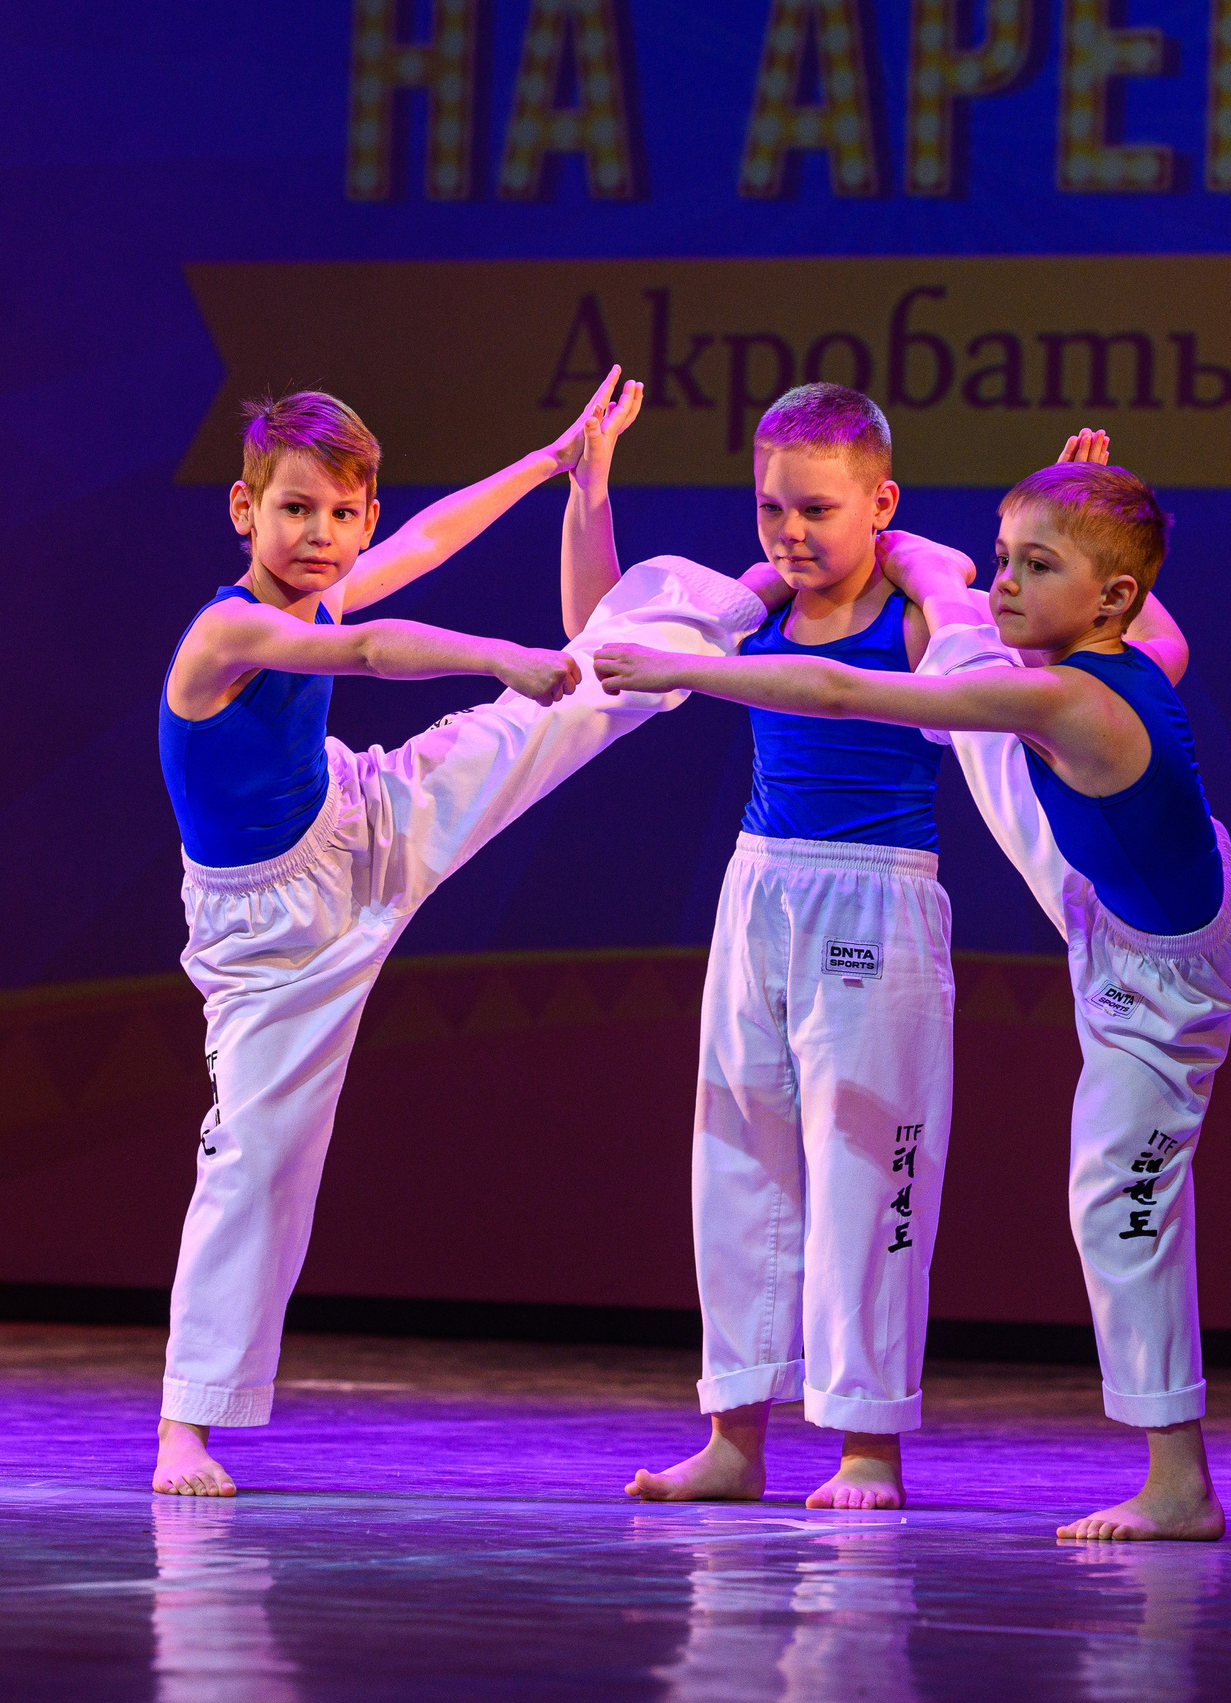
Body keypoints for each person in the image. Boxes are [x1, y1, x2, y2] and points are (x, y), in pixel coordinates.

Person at [594, 442, 1231, 1542]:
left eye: (1036, 565)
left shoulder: (1065, 701)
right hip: (1127, 904)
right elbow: (1161, 626)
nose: (1003, 583)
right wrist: (1095, 517)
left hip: (1158, 980)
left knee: (1117, 1204)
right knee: (989, 714)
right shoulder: (1136, 646)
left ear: (1107, 598)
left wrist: (687, 670)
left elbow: (846, 688)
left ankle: (1178, 1479)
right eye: (996, 559)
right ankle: (737, 1432)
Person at [154, 370, 771, 1496]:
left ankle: (740, 594)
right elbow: (369, 652)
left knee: (569, 704)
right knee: (255, 1157)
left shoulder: (322, 587)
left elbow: (431, 539)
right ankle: (185, 1424)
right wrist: (497, 655)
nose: (322, 535)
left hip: (357, 822)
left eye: (344, 515)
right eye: (296, 509)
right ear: (245, 512)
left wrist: (557, 461)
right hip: (272, 937)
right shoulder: (229, 629)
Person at [605, 382, 957, 1513]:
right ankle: (735, 1434)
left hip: (875, 900)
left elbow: (882, 674)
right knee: (738, 1150)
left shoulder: (911, 614)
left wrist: (954, 559)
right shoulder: (755, 608)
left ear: (881, 506)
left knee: (865, 1166)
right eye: (769, 511)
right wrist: (589, 491)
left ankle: (865, 1442)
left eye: (816, 509)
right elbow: (602, 640)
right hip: (759, 884)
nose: (790, 533)